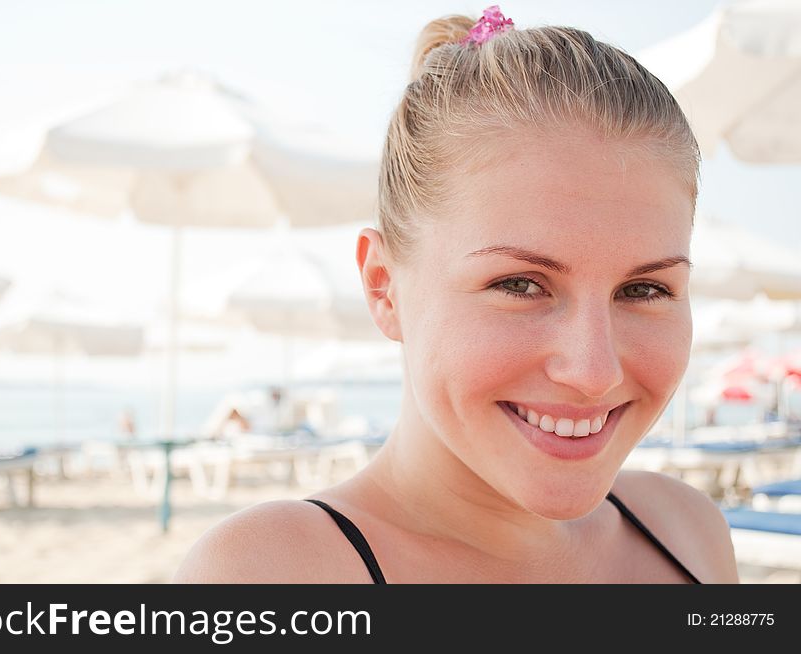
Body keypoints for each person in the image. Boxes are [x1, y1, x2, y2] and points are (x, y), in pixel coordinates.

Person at [175, 7, 739, 583]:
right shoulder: (276, 572)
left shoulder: (688, 531)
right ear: (384, 288)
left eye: (644, 289)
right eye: (519, 285)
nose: (593, 372)